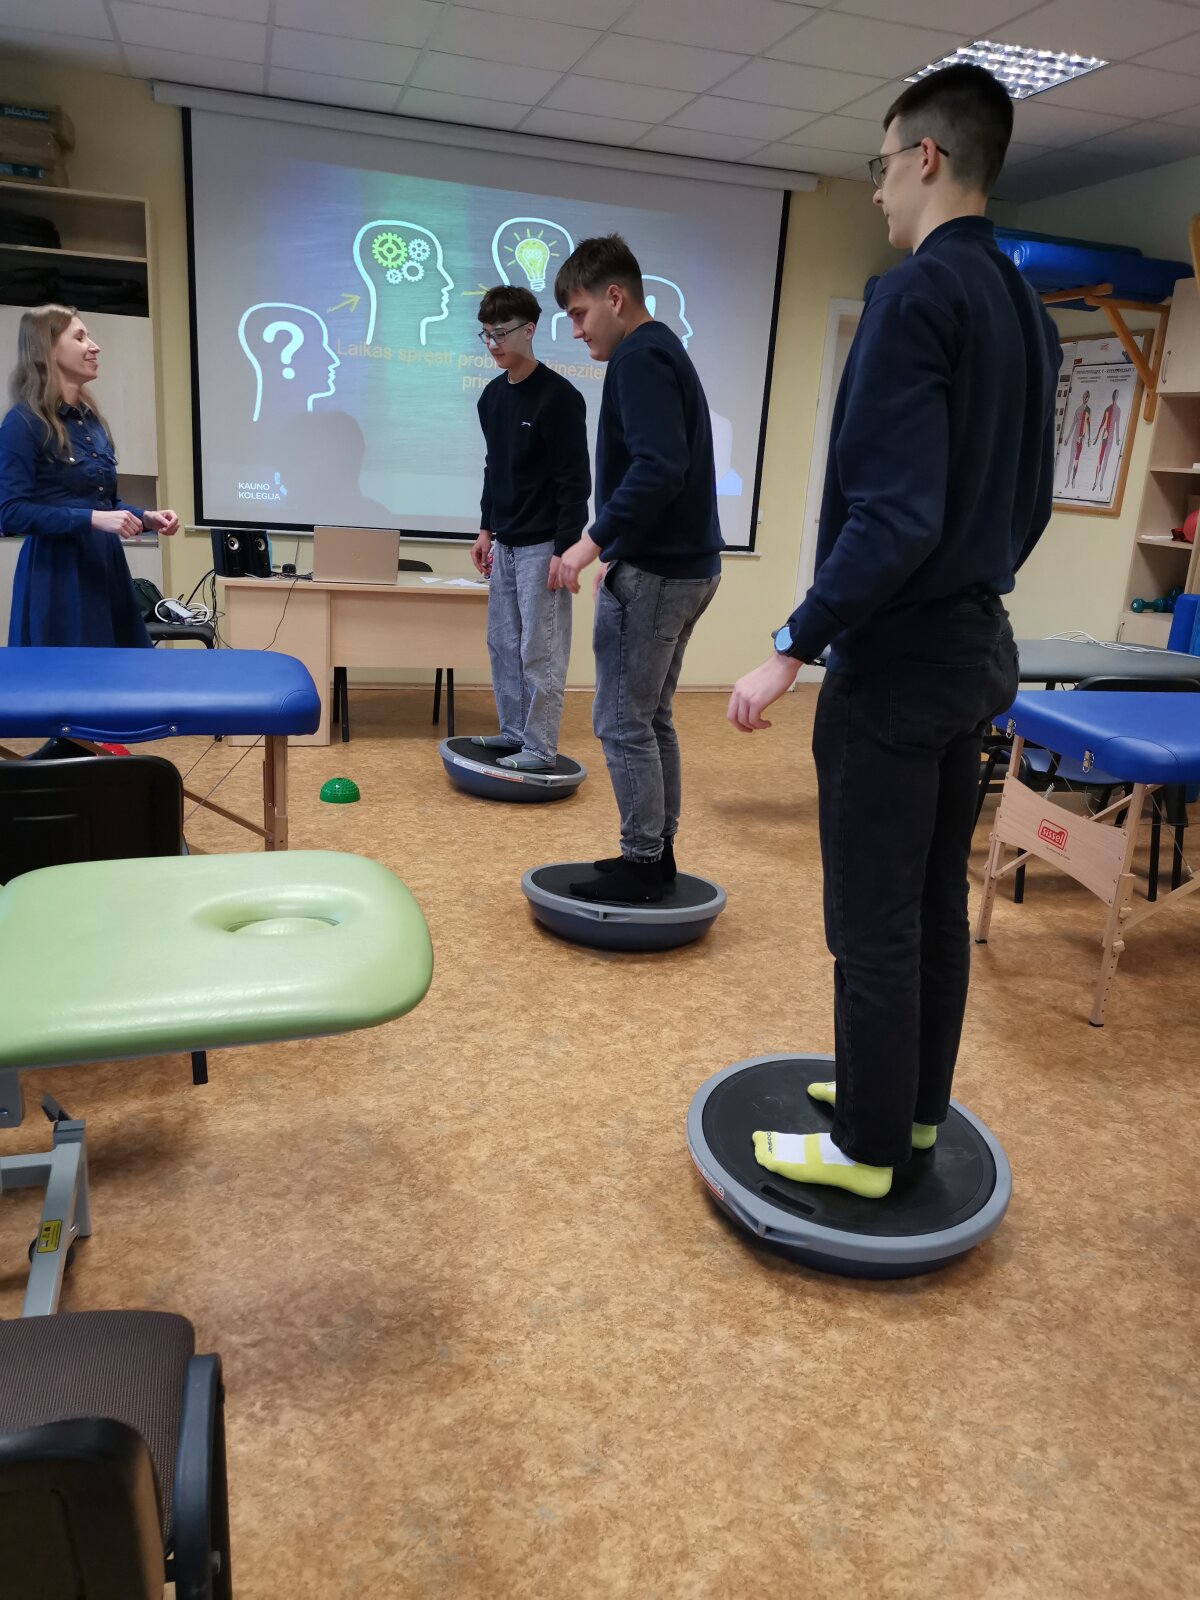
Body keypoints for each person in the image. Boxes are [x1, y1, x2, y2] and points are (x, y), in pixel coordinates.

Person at [727, 65, 1060, 1199]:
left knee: (871, 918)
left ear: (926, 157)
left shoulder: (913, 296)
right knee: (929, 907)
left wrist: (793, 642)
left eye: (879, 166)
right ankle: (910, 1113)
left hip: (900, 663)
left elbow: (894, 517)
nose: (874, 191)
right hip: (973, 653)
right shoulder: (1025, 308)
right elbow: (1028, 507)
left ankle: (865, 1151)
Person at [552, 234, 722, 905]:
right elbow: (663, 469)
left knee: (623, 721)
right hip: (687, 567)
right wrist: (620, 546)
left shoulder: (638, 357)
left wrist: (590, 544)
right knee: (651, 719)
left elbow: (658, 467)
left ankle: (644, 861)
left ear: (615, 297)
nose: (576, 330)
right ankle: (657, 851)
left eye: (580, 313)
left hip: (659, 572)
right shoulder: (662, 348)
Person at [0, 304, 179, 647]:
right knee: (69, 675)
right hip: (58, 578)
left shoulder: (91, 421)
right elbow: (10, 513)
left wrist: (145, 518)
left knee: (118, 672)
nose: (94, 346)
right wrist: (93, 519)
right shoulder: (22, 423)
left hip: (104, 568)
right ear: (49, 348)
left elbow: (104, 503)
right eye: (80, 337)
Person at [470, 285, 590, 772]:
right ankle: (514, 732)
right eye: (485, 334)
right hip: (506, 542)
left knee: (540, 651)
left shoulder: (559, 398)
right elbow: (493, 469)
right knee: (503, 645)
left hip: (545, 545)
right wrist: (485, 529)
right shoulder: (491, 397)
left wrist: (566, 549)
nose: (492, 343)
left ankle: (539, 748)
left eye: (500, 333)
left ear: (529, 330)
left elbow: (575, 482)